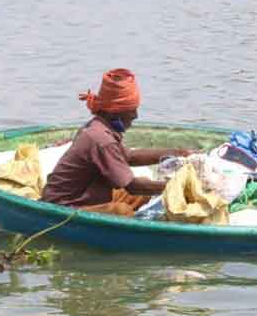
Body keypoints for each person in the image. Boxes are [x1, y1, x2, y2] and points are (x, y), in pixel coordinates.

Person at [41, 68, 192, 216]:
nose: (135, 116)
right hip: (63, 207)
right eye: (131, 110)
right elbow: (132, 186)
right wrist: (177, 188)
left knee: (142, 192)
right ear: (115, 112)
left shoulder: (98, 127)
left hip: (84, 199)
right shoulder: (102, 140)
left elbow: (130, 157)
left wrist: (179, 153)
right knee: (122, 210)